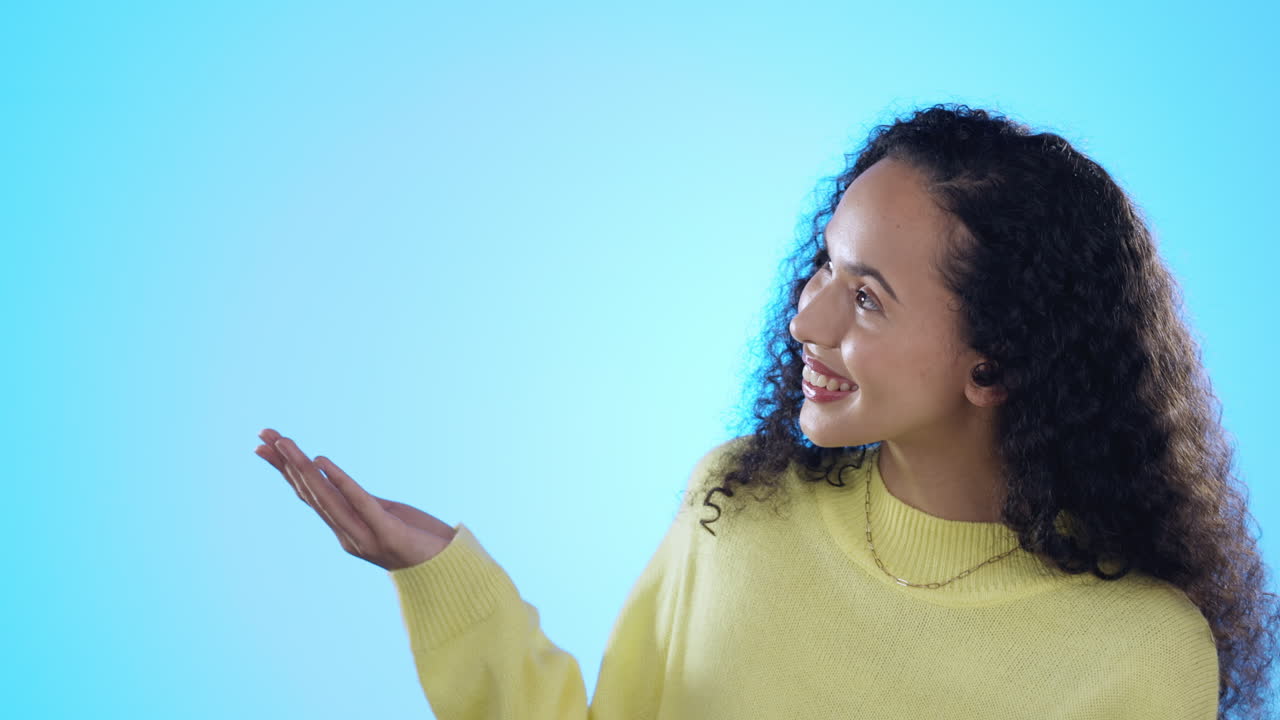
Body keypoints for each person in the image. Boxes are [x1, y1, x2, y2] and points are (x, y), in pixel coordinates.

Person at [254, 103, 1278, 719]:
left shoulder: (1138, 655)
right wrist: (444, 577)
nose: (806, 317)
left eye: (866, 297)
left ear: (996, 365)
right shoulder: (735, 508)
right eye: (824, 268)